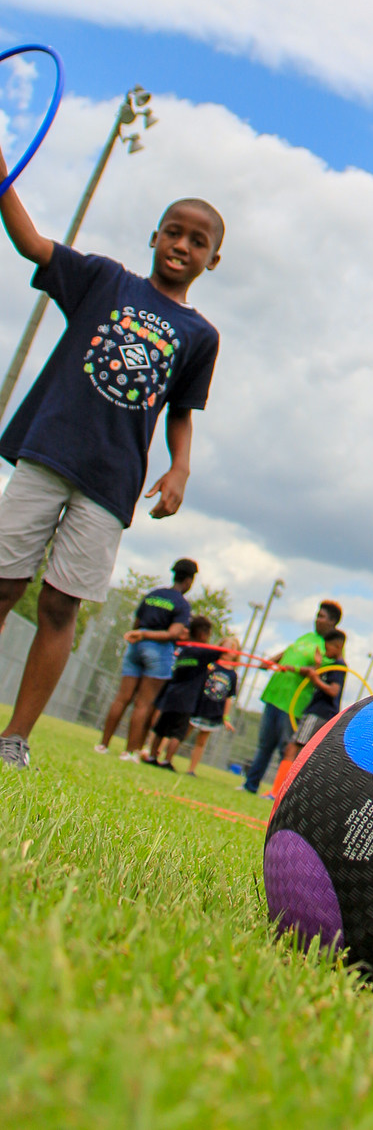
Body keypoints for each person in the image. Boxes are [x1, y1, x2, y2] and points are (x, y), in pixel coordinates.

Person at [0, 193, 222, 770]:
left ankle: (14, 738)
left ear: (213, 260)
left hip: (109, 483)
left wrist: (180, 468)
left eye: (198, 241)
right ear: (154, 236)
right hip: (48, 453)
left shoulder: (200, 335)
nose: (182, 246)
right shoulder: (104, 279)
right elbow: (30, 243)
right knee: (2, 584)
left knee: (59, 606)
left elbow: (180, 411)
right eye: (174, 232)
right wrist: (3, 181)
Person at [97, 557, 199, 759]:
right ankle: (130, 751)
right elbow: (173, 633)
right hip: (158, 650)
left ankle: (103, 745)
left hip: (136, 646)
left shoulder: (153, 594)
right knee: (144, 704)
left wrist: (141, 635)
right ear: (189, 581)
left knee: (122, 697)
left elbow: (137, 622)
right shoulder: (181, 604)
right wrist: (147, 636)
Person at [241, 601, 342, 794]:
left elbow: (322, 671)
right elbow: (289, 651)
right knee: (264, 745)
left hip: (294, 702)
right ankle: (250, 785)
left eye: (321, 616)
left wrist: (300, 670)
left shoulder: (329, 644)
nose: (316, 619)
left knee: (286, 748)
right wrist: (270, 661)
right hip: (275, 694)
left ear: (332, 622)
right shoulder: (307, 636)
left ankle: (279, 792)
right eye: (317, 615)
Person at [141, 615, 222, 770]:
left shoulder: (184, 650)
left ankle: (152, 756)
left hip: (171, 695)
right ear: (203, 635)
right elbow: (219, 653)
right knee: (177, 733)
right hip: (187, 699)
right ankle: (167, 760)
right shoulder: (202, 652)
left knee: (161, 728)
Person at [281, 629, 346, 761]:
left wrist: (315, 679)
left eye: (327, 648)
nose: (325, 652)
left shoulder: (339, 667)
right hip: (318, 712)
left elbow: (333, 690)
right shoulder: (332, 666)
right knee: (299, 751)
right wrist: (317, 665)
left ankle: (282, 781)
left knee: (293, 748)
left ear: (337, 647)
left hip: (319, 712)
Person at [182, 633, 239, 775]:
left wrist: (226, 718)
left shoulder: (233, 675)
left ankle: (191, 769)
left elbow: (229, 697)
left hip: (213, 711)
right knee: (182, 733)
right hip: (198, 706)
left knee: (201, 742)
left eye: (233, 648)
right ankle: (164, 756)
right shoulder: (210, 664)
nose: (229, 651)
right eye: (227, 647)